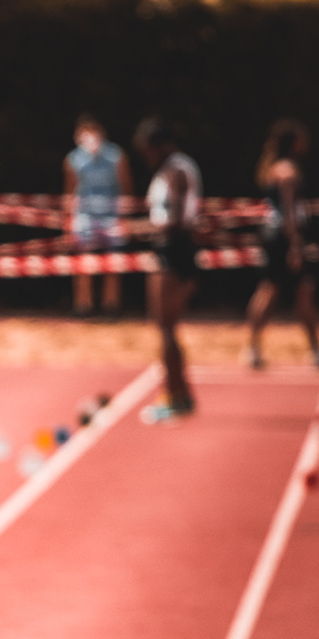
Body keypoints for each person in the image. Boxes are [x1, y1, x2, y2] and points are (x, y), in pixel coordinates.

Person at [245, 120, 319, 372]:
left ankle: (257, 348)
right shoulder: (288, 172)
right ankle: (312, 351)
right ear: (293, 142)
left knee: (293, 291)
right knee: (278, 291)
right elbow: (289, 213)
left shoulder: (273, 168)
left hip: (274, 238)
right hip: (283, 239)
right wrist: (295, 245)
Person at [133, 117, 201, 422]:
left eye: (147, 150)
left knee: (166, 327)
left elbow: (175, 219)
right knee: (165, 328)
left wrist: (139, 228)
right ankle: (178, 392)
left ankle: (176, 395)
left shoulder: (176, 171)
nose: (146, 157)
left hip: (174, 252)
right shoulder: (169, 170)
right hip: (168, 250)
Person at [63, 114, 130, 318]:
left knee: (113, 261)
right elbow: (70, 191)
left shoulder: (116, 156)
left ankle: (112, 306)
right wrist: (69, 219)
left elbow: (126, 187)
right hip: (85, 216)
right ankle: (84, 305)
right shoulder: (74, 159)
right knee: (84, 261)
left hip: (111, 215)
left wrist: (124, 216)